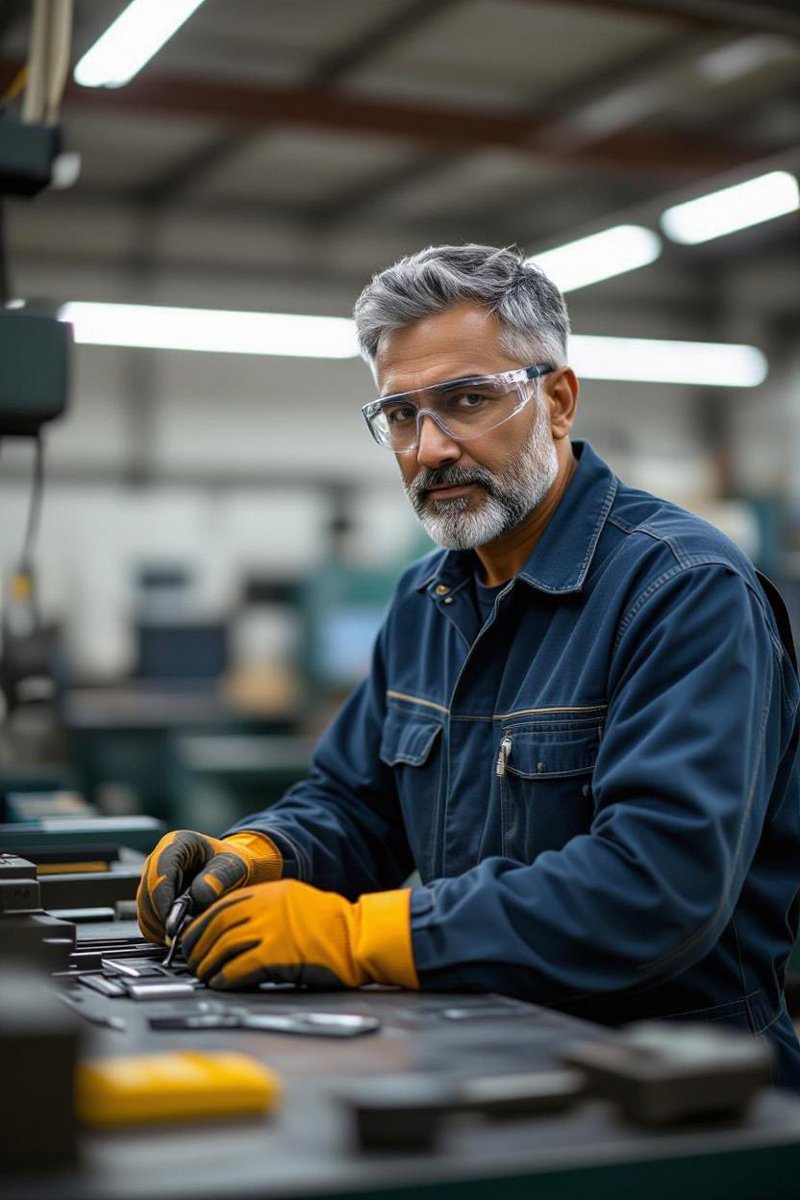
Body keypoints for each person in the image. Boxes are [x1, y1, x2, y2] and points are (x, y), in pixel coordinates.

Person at [137, 244, 800, 1089]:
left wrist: (360, 936)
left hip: (682, 1092)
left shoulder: (681, 590)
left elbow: (654, 887)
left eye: (467, 401)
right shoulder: (426, 598)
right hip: (484, 1050)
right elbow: (355, 806)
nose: (430, 448)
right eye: (402, 415)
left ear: (556, 400)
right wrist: (262, 852)